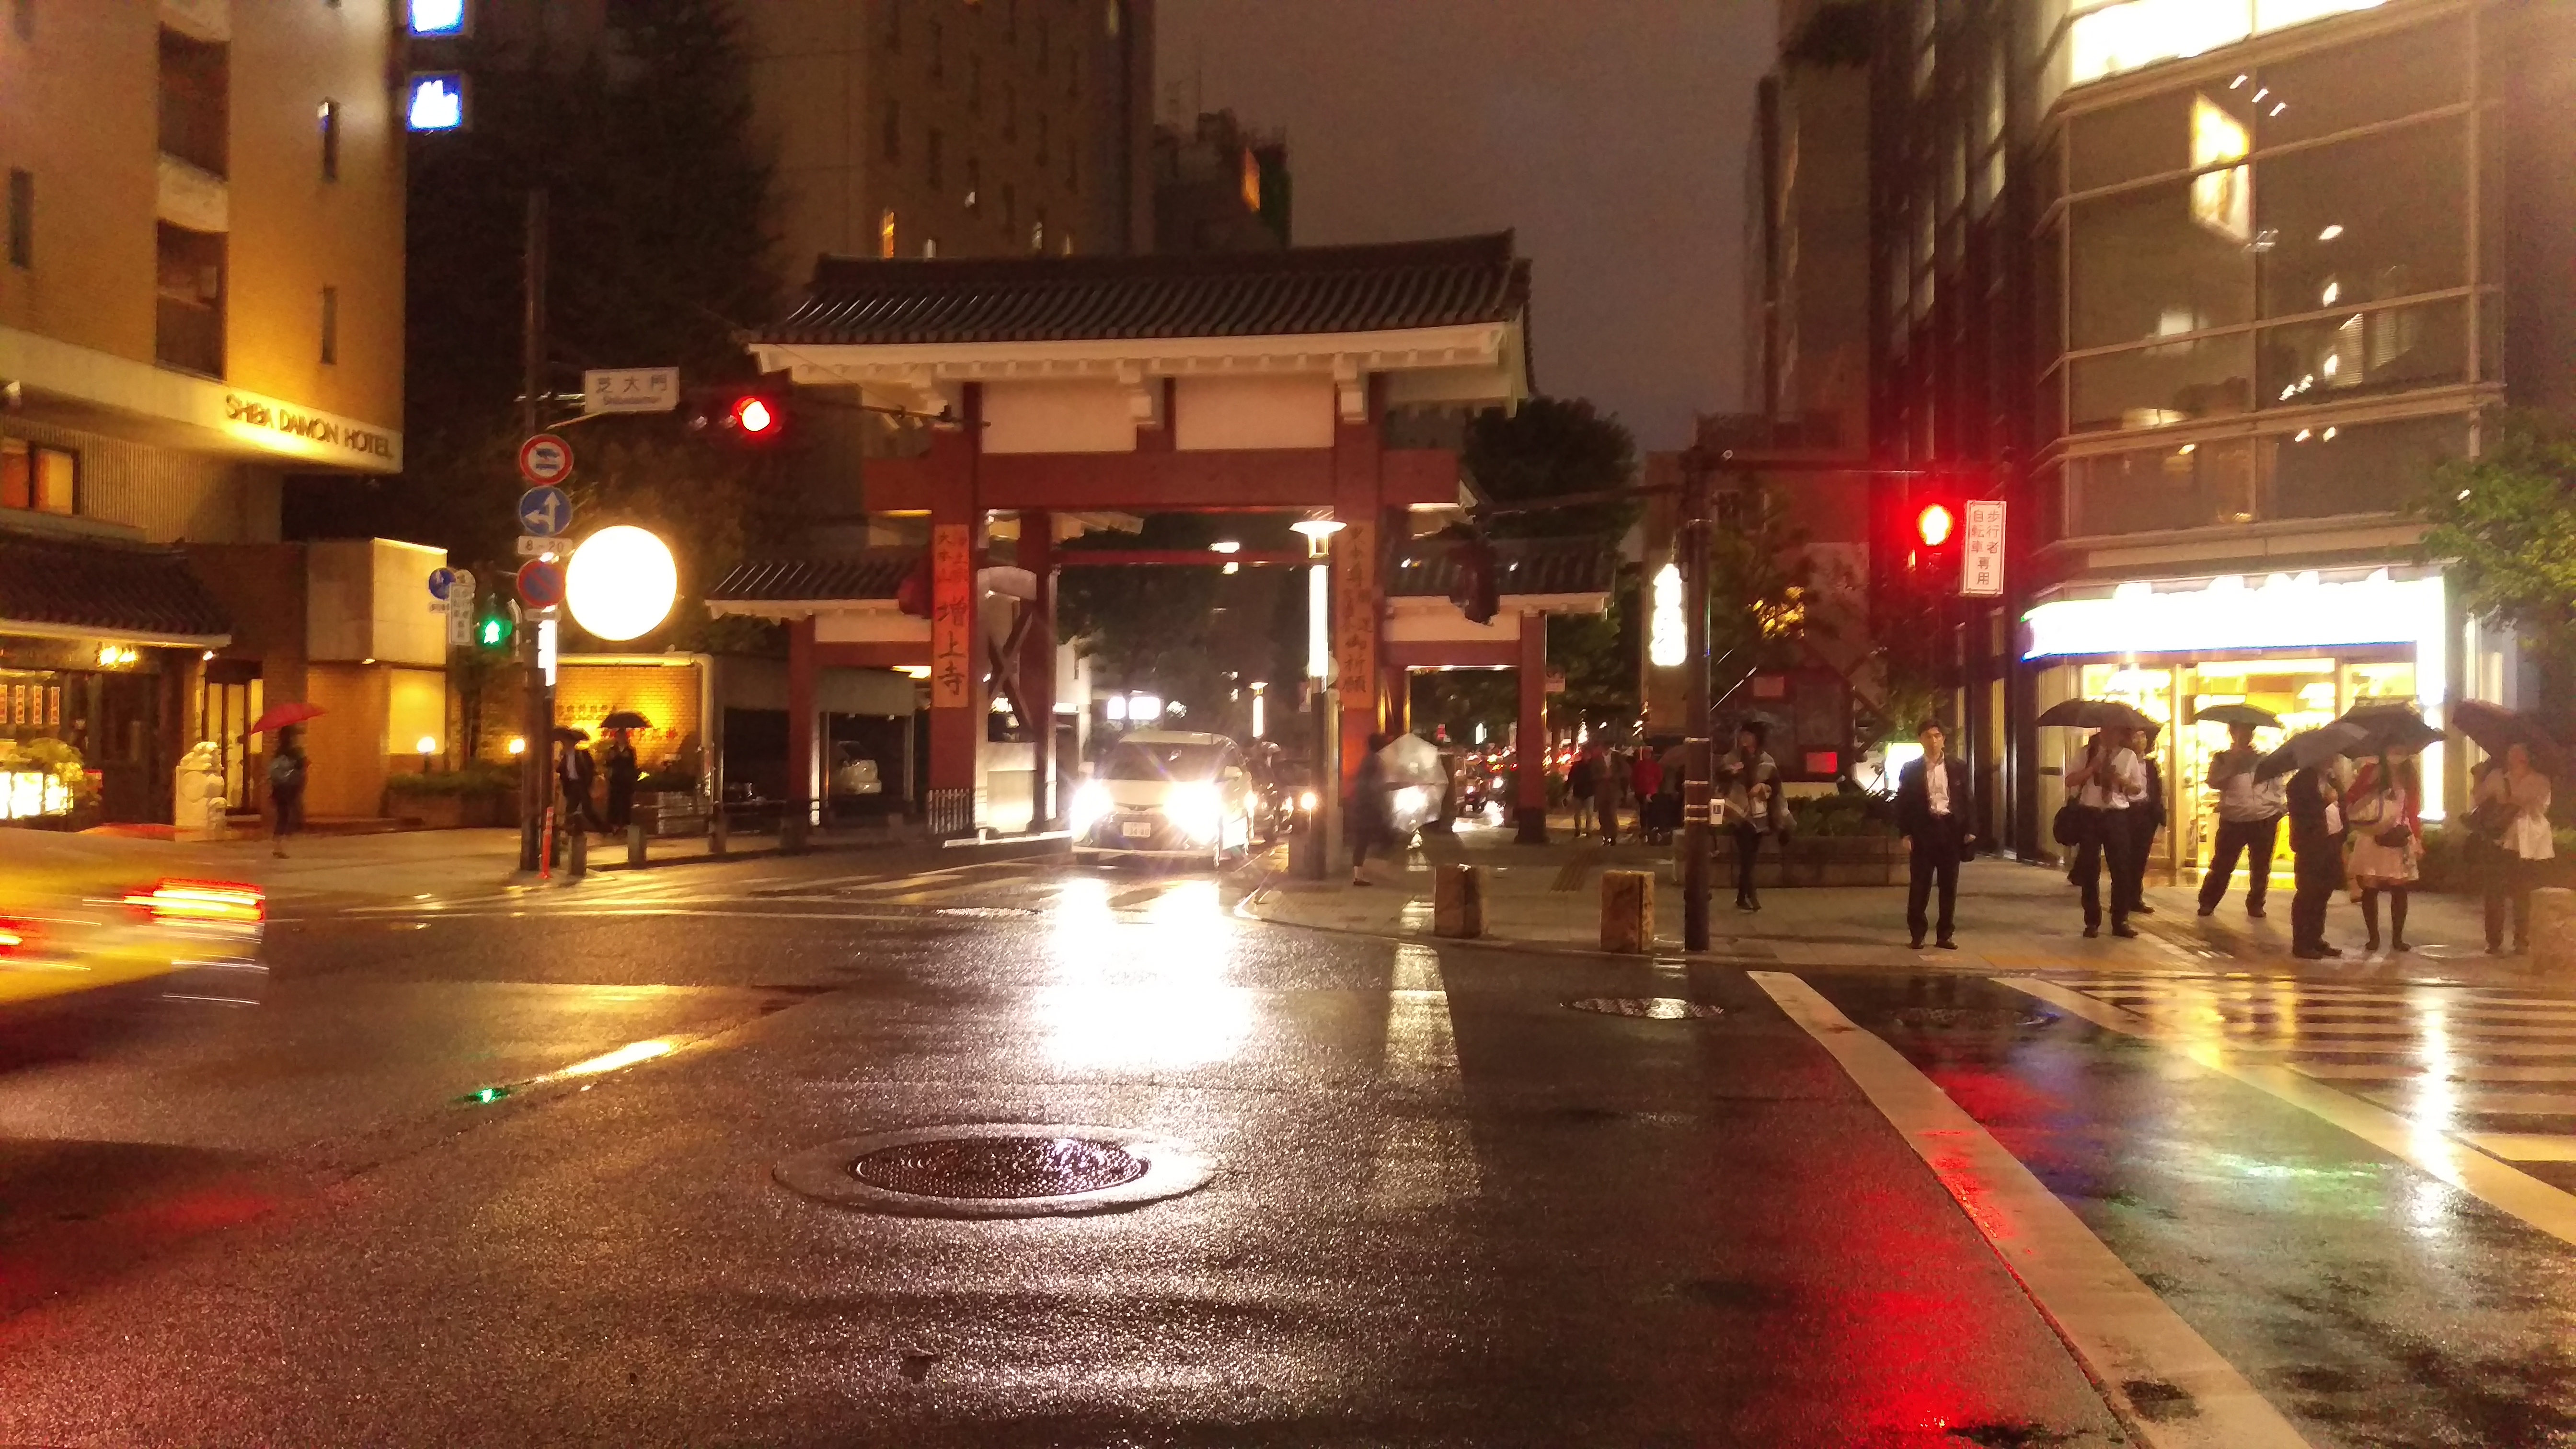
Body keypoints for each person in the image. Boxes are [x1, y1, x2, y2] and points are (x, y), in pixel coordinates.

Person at [1896, 720, 1975, 950]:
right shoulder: (1911, 770)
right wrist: (1905, 833)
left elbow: (1968, 799)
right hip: (1924, 829)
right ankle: (1918, 933)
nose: (1933, 741)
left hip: (1950, 829)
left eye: (1937, 736)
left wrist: (1970, 829)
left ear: (1944, 739)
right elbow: (1903, 803)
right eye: (1928, 736)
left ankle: (1945, 934)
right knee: (1920, 884)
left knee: (1949, 884)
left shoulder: (1958, 766)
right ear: (1921, 740)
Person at [2472, 743, 2555, 955]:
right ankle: (2493, 940)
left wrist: (2516, 802)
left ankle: (2522, 939)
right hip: (2499, 840)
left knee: (2523, 893)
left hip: (2527, 843)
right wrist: (2479, 778)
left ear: (2528, 756)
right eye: (2511, 751)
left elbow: (2541, 807)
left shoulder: (2540, 780)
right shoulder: (2498, 776)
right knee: (2494, 892)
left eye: (2520, 751)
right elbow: (2479, 799)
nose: (2515, 755)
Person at [2197, 722, 2285, 919]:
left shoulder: (2264, 759)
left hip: (2263, 818)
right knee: (2223, 864)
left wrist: (2277, 807)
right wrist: (2232, 766)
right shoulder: (2222, 758)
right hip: (2234, 819)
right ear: (2232, 732)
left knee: (2261, 866)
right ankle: (2208, 901)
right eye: (2240, 730)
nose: (2245, 735)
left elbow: (2277, 785)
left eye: (2249, 731)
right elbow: (2213, 782)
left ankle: (2256, 904)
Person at [2066, 727, 2144, 938]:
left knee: (2121, 869)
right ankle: (2092, 921)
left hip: (2116, 815)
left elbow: (2139, 790)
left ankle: (2120, 920)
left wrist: (2123, 781)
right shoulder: (2087, 753)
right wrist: (2092, 768)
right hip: (2090, 813)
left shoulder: (2129, 756)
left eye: (2114, 731)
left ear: (2120, 734)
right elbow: (2069, 781)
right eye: (2106, 730)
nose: (2110, 736)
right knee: (2090, 869)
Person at [2343, 752, 2421, 954]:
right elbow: (2352, 797)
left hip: (2398, 834)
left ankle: (2398, 938)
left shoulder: (2409, 775)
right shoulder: (2371, 770)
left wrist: (2418, 838)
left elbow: (2412, 809)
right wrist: (2372, 784)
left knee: (2399, 886)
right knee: (2370, 885)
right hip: (2373, 831)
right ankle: (2373, 938)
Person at [1716, 722, 1787, 911]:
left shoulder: (1766, 760)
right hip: (1738, 812)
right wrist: (1733, 772)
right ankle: (1752, 896)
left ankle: (1742, 897)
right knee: (1747, 855)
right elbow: (1720, 776)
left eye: (1748, 735)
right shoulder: (1733, 757)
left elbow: (1776, 786)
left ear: (1757, 738)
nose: (1744, 739)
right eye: (1743, 735)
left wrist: (1763, 788)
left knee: (1751, 856)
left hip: (1759, 813)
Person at [2287, 761, 2347, 960]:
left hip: (2331, 839)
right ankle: (2302, 942)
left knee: (2323, 892)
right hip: (2311, 843)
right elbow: (2303, 812)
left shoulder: (2329, 778)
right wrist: (2326, 801)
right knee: (2308, 892)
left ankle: (2315, 937)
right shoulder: (2300, 782)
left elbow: (2343, 801)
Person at [2122, 727, 2165, 917]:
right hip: (2126, 812)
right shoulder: (2123, 761)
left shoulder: (2151, 765)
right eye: (2136, 736)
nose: (2141, 741)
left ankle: (2135, 898)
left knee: (2141, 858)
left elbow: (2157, 790)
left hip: (2146, 813)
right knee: (2125, 858)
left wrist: (2160, 816)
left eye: (2144, 737)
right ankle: (2123, 899)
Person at [1349, 731, 1392, 886]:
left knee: (1364, 841)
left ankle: (1359, 874)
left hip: (1362, 805)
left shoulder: (1368, 759)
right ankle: (1360, 875)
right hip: (1367, 808)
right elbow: (1376, 785)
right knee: (1372, 840)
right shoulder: (1375, 761)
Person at [266, 724, 308, 859]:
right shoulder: (295, 751)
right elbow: (301, 766)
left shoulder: (279, 751)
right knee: (285, 816)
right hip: (289, 787)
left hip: (279, 788)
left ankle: (278, 844)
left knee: (282, 815)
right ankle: (279, 846)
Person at [558, 736, 603, 832]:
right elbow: (561, 771)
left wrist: (589, 782)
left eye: (568, 744)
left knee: (588, 810)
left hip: (582, 784)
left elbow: (591, 767)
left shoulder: (582, 754)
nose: (566, 746)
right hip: (571, 785)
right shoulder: (565, 758)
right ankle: (569, 831)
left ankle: (604, 829)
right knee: (570, 809)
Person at [603, 729, 641, 831]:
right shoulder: (612, 750)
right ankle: (613, 824)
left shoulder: (630, 751)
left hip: (626, 780)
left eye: (623, 737)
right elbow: (608, 763)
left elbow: (633, 765)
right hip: (615, 779)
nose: (621, 739)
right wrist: (612, 759)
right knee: (614, 801)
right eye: (619, 737)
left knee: (625, 802)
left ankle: (625, 824)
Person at [1630, 748, 1667, 846]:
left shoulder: (1655, 766)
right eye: (1646, 754)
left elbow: (1659, 778)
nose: (1647, 755)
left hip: (1652, 791)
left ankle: (1650, 829)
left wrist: (1653, 788)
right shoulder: (1638, 766)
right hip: (1641, 791)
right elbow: (1634, 778)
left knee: (1650, 811)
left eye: (1649, 754)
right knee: (1643, 810)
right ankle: (1645, 829)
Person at [1593, 745, 1624, 845]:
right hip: (1601, 790)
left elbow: (1625, 771)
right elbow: (1592, 774)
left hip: (1613, 790)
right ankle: (1605, 836)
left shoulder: (1617, 757)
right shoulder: (1597, 759)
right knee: (1602, 814)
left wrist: (1613, 776)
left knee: (1611, 813)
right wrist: (1602, 777)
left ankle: (1614, 836)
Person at [1568, 748, 1599, 837]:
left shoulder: (1593, 766)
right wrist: (1568, 788)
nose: (1587, 757)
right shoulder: (1577, 766)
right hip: (1579, 792)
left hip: (1589, 792)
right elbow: (1571, 778)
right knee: (1578, 813)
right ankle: (1578, 829)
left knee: (1589, 813)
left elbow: (1596, 779)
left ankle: (1588, 830)